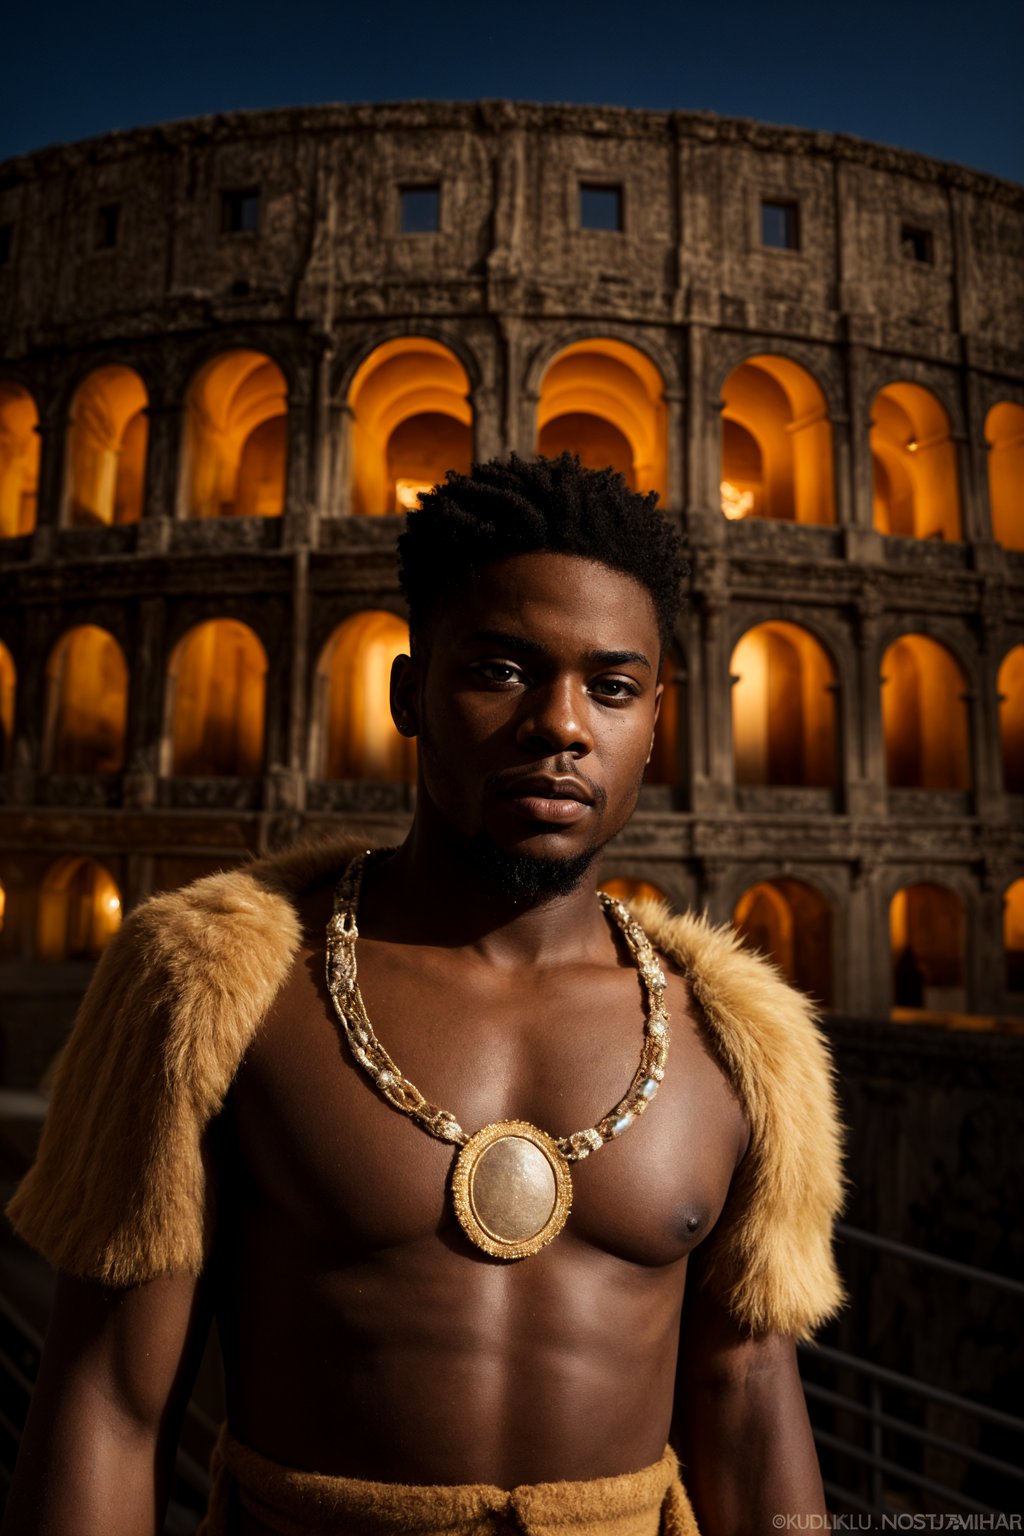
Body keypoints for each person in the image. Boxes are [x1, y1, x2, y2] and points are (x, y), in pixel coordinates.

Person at [4, 454, 844, 1536]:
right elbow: (109, 1407)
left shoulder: (738, 1042)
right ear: (410, 694)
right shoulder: (215, 990)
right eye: (501, 670)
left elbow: (750, 1415)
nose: (562, 724)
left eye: (612, 686)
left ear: (654, 724)